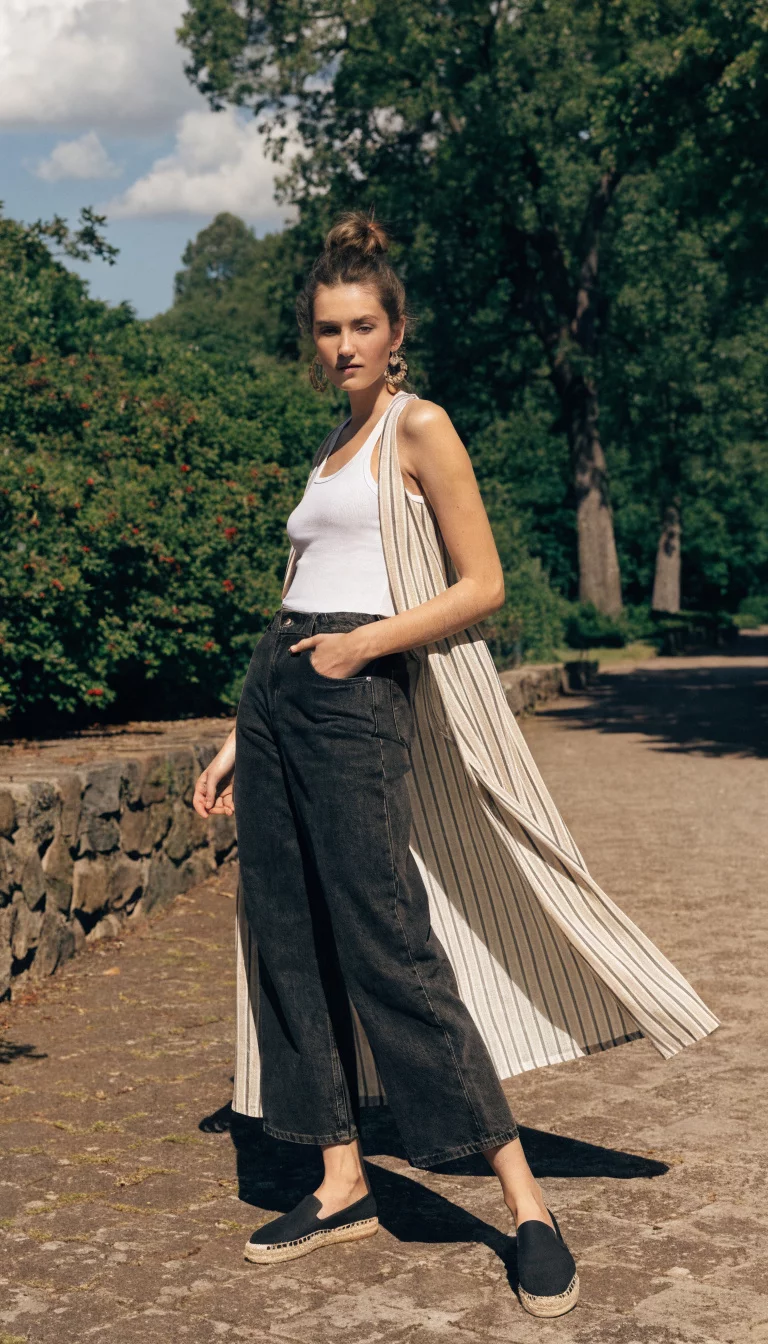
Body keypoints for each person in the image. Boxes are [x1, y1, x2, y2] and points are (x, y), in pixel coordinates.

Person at [193, 210, 717, 1318]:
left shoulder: (417, 427)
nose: (344, 346)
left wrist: (360, 649)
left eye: (362, 327)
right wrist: (247, 726)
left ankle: (525, 1205)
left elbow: (483, 586)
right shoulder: (331, 448)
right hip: (282, 684)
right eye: (328, 329)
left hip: (357, 687)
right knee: (286, 940)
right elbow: (308, 580)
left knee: (390, 943)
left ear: (396, 333)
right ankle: (339, 1178)